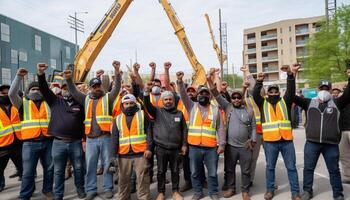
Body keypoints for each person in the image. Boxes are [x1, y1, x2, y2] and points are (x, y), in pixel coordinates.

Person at [63, 60, 121, 200]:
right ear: (90, 88)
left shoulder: (108, 97)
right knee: (91, 166)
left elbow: (117, 88)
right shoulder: (85, 99)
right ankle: (91, 189)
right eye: (94, 86)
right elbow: (73, 91)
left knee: (107, 165)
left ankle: (108, 188)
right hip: (90, 139)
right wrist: (69, 79)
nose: (97, 88)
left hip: (106, 137)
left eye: (98, 86)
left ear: (101, 86)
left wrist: (117, 71)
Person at [294, 70, 350, 200]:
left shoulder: (337, 103)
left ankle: (338, 194)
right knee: (308, 168)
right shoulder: (309, 103)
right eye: (322, 88)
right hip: (312, 143)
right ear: (318, 89)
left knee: (334, 171)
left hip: (331, 145)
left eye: (327, 88)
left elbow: (348, 94)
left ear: (330, 90)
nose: (324, 90)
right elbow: (291, 96)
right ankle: (307, 191)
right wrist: (292, 76)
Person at [37, 63, 86, 200]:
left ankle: (80, 190)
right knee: (58, 171)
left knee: (78, 168)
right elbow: (44, 89)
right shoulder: (55, 100)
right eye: (63, 88)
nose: (66, 90)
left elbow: (84, 124)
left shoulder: (80, 104)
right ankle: (58, 194)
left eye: (68, 88)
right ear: (61, 91)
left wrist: (84, 139)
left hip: (76, 142)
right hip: (58, 143)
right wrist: (41, 74)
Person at [253, 64, 301, 200]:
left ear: (279, 93)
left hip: (286, 141)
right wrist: (259, 81)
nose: (273, 93)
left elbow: (291, 90)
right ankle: (270, 190)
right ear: (267, 93)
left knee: (291, 168)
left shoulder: (284, 102)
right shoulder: (263, 104)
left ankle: (295, 193)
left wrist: (290, 75)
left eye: (275, 92)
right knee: (270, 168)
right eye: (271, 92)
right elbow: (255, 94)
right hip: (270, 142)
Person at [177, 71, 226, 200]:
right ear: (197, 96)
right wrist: (180, 81)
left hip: (211, 148)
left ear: (210, 96)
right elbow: (183, 95)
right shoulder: (191, 106)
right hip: (194, 147)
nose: (203, 95)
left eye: (206, 93)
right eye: (201, 93)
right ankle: (198, 192)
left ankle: (213, 192)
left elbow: (220, 127)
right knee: (194, 172)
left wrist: (221, 144)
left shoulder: (215, 110)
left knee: (212, 173)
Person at [207, 71, 256, 200]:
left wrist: (254, 140)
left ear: (242, 99)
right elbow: (216, 94)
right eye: (233, 98)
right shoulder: (228, 107)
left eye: (238, 98)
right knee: (229, 170)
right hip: (231, 146)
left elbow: (254, 127)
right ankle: (231, 189)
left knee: (246, 171)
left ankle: (245, 191)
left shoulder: (249, 111)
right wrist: (209, 80)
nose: (236, 100)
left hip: (246, 146)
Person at [9, 68, 54, 200]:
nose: (36, 91)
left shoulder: (48, 103)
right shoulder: (22, 103)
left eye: (38, 89)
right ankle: (25, 195)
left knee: (49, 169)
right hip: (29, 143)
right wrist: (18, 77)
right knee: (28, 172)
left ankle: (47, 191)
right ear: (28, 92)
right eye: (33, 89)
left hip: (48, 141)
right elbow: (12, 94)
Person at [143, 83, 188, 200]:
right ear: (162, 101)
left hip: (175, 148)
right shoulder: (157, 111)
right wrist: (147, 93)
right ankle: (161, 192)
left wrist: (184, 144)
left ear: (173, 100)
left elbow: (184, 130)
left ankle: (175, 191)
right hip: (161, 148)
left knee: (175, 170)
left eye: (170, 99)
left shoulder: (179, 113)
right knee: (161, 171)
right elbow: (147, 105)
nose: (168, 101)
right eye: (166, 99)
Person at [110, 94, 153, 200]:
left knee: (142, 179)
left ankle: (143, 198)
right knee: (123, 180)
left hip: (141, 153)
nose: (129, 105)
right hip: (123, 155)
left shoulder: (142, 115)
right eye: (126, 103)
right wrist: (112, 155)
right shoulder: (117, 119)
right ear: (122, 105)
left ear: (135, 103)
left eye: (131, 103)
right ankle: (123, 198)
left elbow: (149, 132)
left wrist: (149, 148)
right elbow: (114, 138)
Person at [0, 84, 22, 192]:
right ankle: (1, 184)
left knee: (23, 167)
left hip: (18, 143)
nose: (5, 95)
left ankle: (26, 184)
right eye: (2, 93)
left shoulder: (17, 105)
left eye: (7, 93)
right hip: (2, 145)